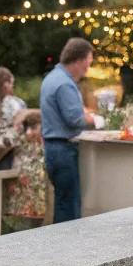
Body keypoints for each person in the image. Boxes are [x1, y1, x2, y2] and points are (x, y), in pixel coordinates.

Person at [40, 37, 98, 222]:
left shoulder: (51, 78)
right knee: (69, 207)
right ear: (79, 60)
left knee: (62, 202)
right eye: (88, 62)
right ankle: (67, 249)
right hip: (63, 150)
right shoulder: (64, 83)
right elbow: (75, 120)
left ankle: (59, 247)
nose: (88, 67)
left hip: (53, 148)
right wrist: (97, 121)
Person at [0, 107, 47, 221]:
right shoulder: (27, 138)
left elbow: (3, 142)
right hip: (27, 183)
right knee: (29, 219)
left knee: (28, 219)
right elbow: (3, 142)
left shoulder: (30, 138)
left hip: (31, 183)